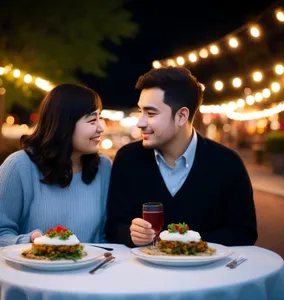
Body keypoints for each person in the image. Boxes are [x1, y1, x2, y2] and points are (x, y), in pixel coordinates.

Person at [105, 66, 257, 247]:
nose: (140, 122)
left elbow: (244, 232)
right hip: (144, 273)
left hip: (208, 273)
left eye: (151, 113)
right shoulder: (127, 159)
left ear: (182, 116)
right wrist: (130, 234)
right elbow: (113, 226)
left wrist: (187, 246)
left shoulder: (227, 163)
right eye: (140, 111)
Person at [0, 83, 112, 246]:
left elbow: (104, 236)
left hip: (91, 270)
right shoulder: (19, 166)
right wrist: (30, 242)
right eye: (92, 120)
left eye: (100, 117)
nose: (101, 127)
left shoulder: (103, 167)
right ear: (64, 124)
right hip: (34, 269)